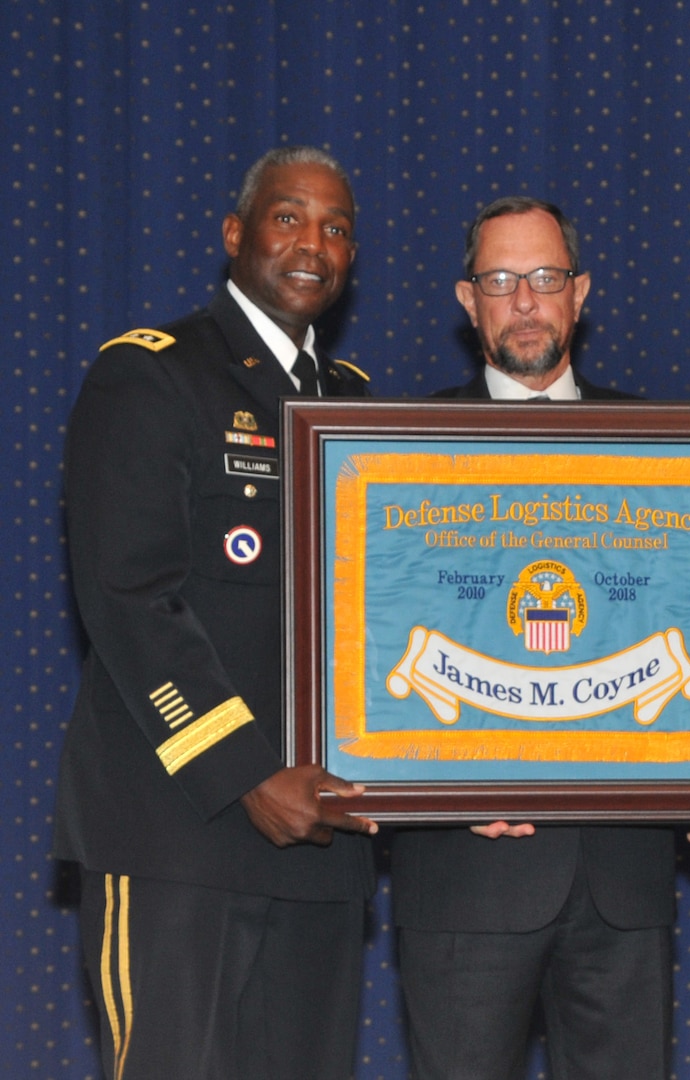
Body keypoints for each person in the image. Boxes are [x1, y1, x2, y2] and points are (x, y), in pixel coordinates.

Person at [386, 195, 690, 1080]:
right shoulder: (397, 453)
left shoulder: (667, 448)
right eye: (500, 280)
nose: (525, 299)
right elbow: (366, 660)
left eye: (546, 278)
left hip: (623, 880)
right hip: (462, 877)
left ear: (581, 292)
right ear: (467, 297)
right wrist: (432, 784)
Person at [57, 146, 377, 1079]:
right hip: (177, 833)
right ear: (235, 234)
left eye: (337, 228)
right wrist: (246, 772)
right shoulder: (151, 376)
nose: (313, 243)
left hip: (321, 845)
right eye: (289, 218)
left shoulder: (358, 405)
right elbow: (127, 598)